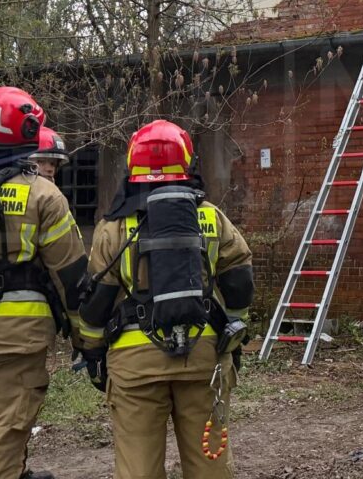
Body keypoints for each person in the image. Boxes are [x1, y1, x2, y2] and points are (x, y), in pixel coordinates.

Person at [79, 119, 253, 479]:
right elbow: (239, 280)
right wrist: (232, 336)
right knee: (210, 465)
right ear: (186, 160)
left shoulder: (114, 227)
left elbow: (97, 301)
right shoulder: (210, 217)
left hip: (134, 367)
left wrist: (93, 352)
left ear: (132, 162)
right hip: (202, 358)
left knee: (137, 467)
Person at [0, 87, 87, 479]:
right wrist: (88, 340)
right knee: (1, 444)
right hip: (17, 342)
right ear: (28, 131)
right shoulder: (42, 195)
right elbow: (71, 276)